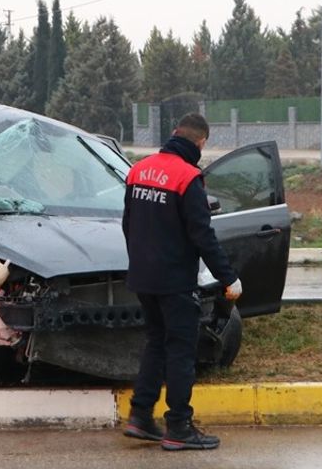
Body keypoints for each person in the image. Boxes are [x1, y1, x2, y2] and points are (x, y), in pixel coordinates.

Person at [121, 113, 243, 452]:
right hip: (175, 282)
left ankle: (141, 416)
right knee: (180, 351)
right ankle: (179, 426)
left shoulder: (138, 170)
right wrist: (228, 276)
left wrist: (141, 261)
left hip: (143, 278)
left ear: (174, 133)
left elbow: (128, 224)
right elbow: (202, 235)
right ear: (200, 142)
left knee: (156, 344)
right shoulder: (189, 177)